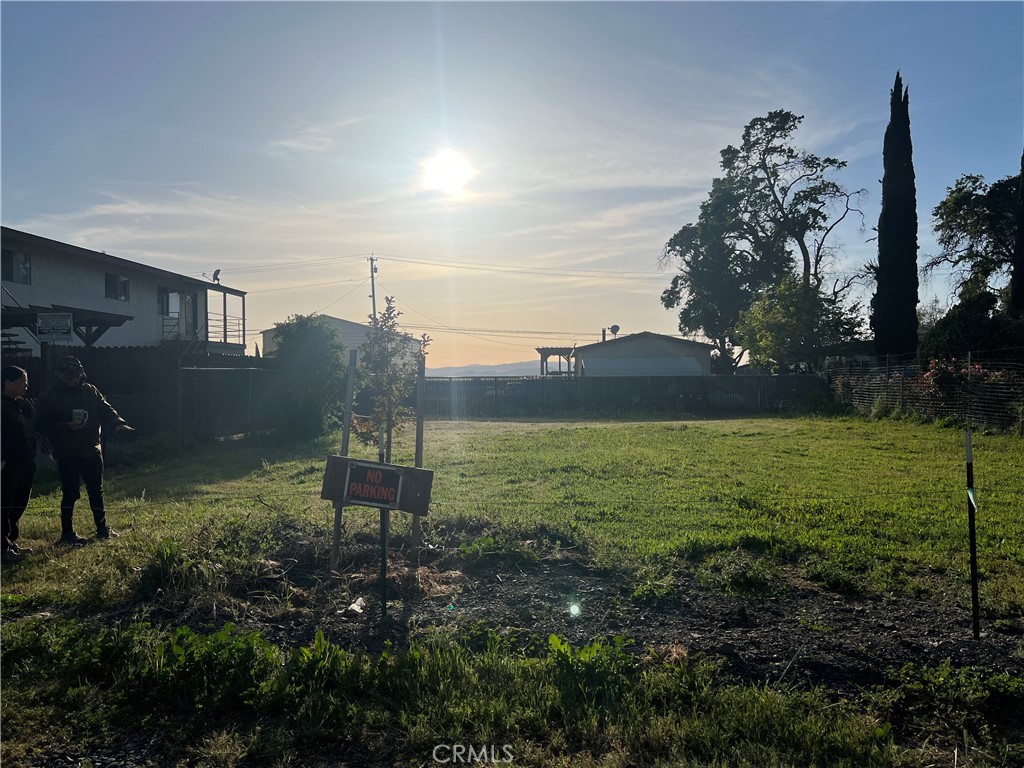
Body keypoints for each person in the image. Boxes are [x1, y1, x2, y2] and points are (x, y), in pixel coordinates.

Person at [34, 356, 135, 545]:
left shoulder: (90, 390)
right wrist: (65, 426)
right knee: (70, 493)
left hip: (91, 448)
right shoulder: (47, 397)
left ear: (81, 374)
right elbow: (40, 425)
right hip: (66, 453)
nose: (73, 380)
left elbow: (105, 409)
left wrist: (118, 423)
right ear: (59, 375)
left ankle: (102, 529)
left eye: (76, 376)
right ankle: (67, 533)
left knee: (96, 491)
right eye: (69, 377)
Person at [2, 366, 37, 563]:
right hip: (8, 463)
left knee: (19, 502)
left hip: (26, 460)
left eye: (26, 382)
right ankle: (1, 549)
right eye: (21, 382)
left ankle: (10, 541)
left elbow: (32, 425)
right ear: (7, 382)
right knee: (4, 505)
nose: (26, 386)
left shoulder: (22, 404)